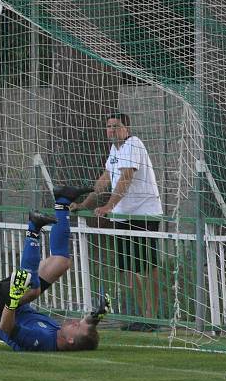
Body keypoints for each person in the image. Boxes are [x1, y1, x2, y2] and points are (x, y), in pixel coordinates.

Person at [0, 189, 108, 351]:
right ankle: (63, 202)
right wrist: (96, 317)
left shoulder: (41, 341)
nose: (76, 321)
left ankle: (33, 229)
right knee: (61, 262)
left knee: (33, 290)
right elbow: (85, 327)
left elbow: (5, 327)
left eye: (76, 326)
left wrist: (13, 298)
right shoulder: (61, 335)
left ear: (70, 340)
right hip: (17, 302)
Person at [69, 113, 163, 332]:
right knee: (127, 268)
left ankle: (153, 317)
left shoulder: (134, 144)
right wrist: (84, 203)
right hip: (123, 216)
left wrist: (108, 206)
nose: (111, 130)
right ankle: (143, 316)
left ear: (126, 128)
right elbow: (104, 180)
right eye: (108, 126)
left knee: (147, 267)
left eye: (116, 126)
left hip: (144, 214)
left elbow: (126, 178)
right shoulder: (114, 150)